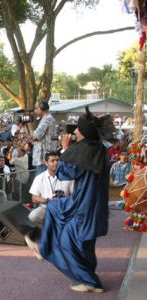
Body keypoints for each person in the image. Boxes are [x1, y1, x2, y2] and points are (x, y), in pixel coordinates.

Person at [25, 106, 115, 293]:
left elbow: (64, 173)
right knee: (57, 211)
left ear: (83, 132)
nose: (74, 131)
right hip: (93, 206)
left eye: (77, 129)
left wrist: (66, 151)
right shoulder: (98, 150)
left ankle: (89, 280)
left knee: (67, 242)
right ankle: (87, 276)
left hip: (84, 208)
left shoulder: (85, 153)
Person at [28, 152, 74, 227]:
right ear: (46, 163)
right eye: (52, 161)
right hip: (46, 208)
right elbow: (34, 198)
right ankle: (46, 231)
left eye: (57, 160)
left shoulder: (67, 176)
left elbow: (74, 195)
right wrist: (48, 201)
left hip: (64, 208)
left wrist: (64, 202)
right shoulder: (39, 178)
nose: (56, 163)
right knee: (33, 216)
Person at [31, 101, 57, 175]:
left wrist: (29, 124)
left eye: (36, 108)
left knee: (41, 183)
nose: (34, 110)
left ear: (42, 108)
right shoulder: (44, 119)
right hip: (43, 158)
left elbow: (35, 137)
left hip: (43, 158)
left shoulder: (47, 119)